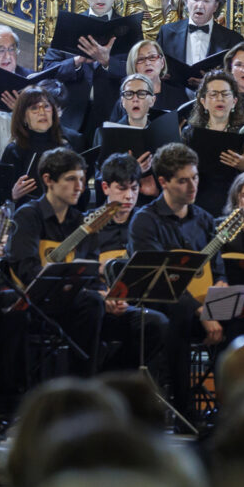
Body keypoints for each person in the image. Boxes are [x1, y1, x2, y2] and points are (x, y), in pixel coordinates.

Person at [127, 143, 227, 421]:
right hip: (162, 304)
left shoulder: (205, 219)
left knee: (243, 313)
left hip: (204, 305)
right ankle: (185, 410)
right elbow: (160, 280)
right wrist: (200, 311)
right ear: (163, 182)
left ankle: (229, 408)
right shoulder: (145, 220)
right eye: (183, 180)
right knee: (180, 310)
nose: (193, 186)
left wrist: (220, 290)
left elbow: (218, 270)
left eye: (195, 177)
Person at [7, 147, 105, 377]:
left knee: (95, 303)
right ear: (48, 180)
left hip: (69, 300)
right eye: (71, 179)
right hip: (35, 301)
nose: (79, 187)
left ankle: (83, 385)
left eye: (82, 179)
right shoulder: (28, 215)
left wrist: (102, 290)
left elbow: (89, 268)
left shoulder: (82, 223)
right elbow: (26, 268)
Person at [88, 153, 169, 376]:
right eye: (122, 188)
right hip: (101, 303)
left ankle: (115, 376)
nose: (129, 196)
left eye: (134, 188)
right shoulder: (87, 225)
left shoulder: (146, 223)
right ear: (105, 187)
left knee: (162, 321)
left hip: (138, 300)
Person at [42, 0, 129, 141]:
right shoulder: (68, 25)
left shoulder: (129, 28)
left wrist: (107, 62)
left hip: (113, 117)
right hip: (70, 117)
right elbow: (47, 70)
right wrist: (77, 61)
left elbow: (137, 74)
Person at [1, 86, 83, 204]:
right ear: (23, 117)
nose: (42, 112)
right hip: (26, 212)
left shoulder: (67, 146)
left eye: (46, 106)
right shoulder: (14, 150)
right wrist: (13, 195)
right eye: (34, 108)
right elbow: (0, 198)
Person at [183, 70, 244, 216]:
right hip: (197, 206)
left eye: (225, 94)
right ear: (203, 102)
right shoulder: (189, 133)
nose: (220, 98)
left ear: (234, 101)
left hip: (233, 207)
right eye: (213, 94)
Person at [157, 0, 244, 76]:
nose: (200, 5)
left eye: (207, 0)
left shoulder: (234, 40)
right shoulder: (166, 33)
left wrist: (209, 82)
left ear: (215, 6)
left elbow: (236, 77)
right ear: (186, 1)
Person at [111, 40, 189, 116]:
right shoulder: (125, 100)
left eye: (152, 57)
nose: (147, 63)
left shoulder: (178, 95)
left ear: (162, 62)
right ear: (133, 65)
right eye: (141, 59)